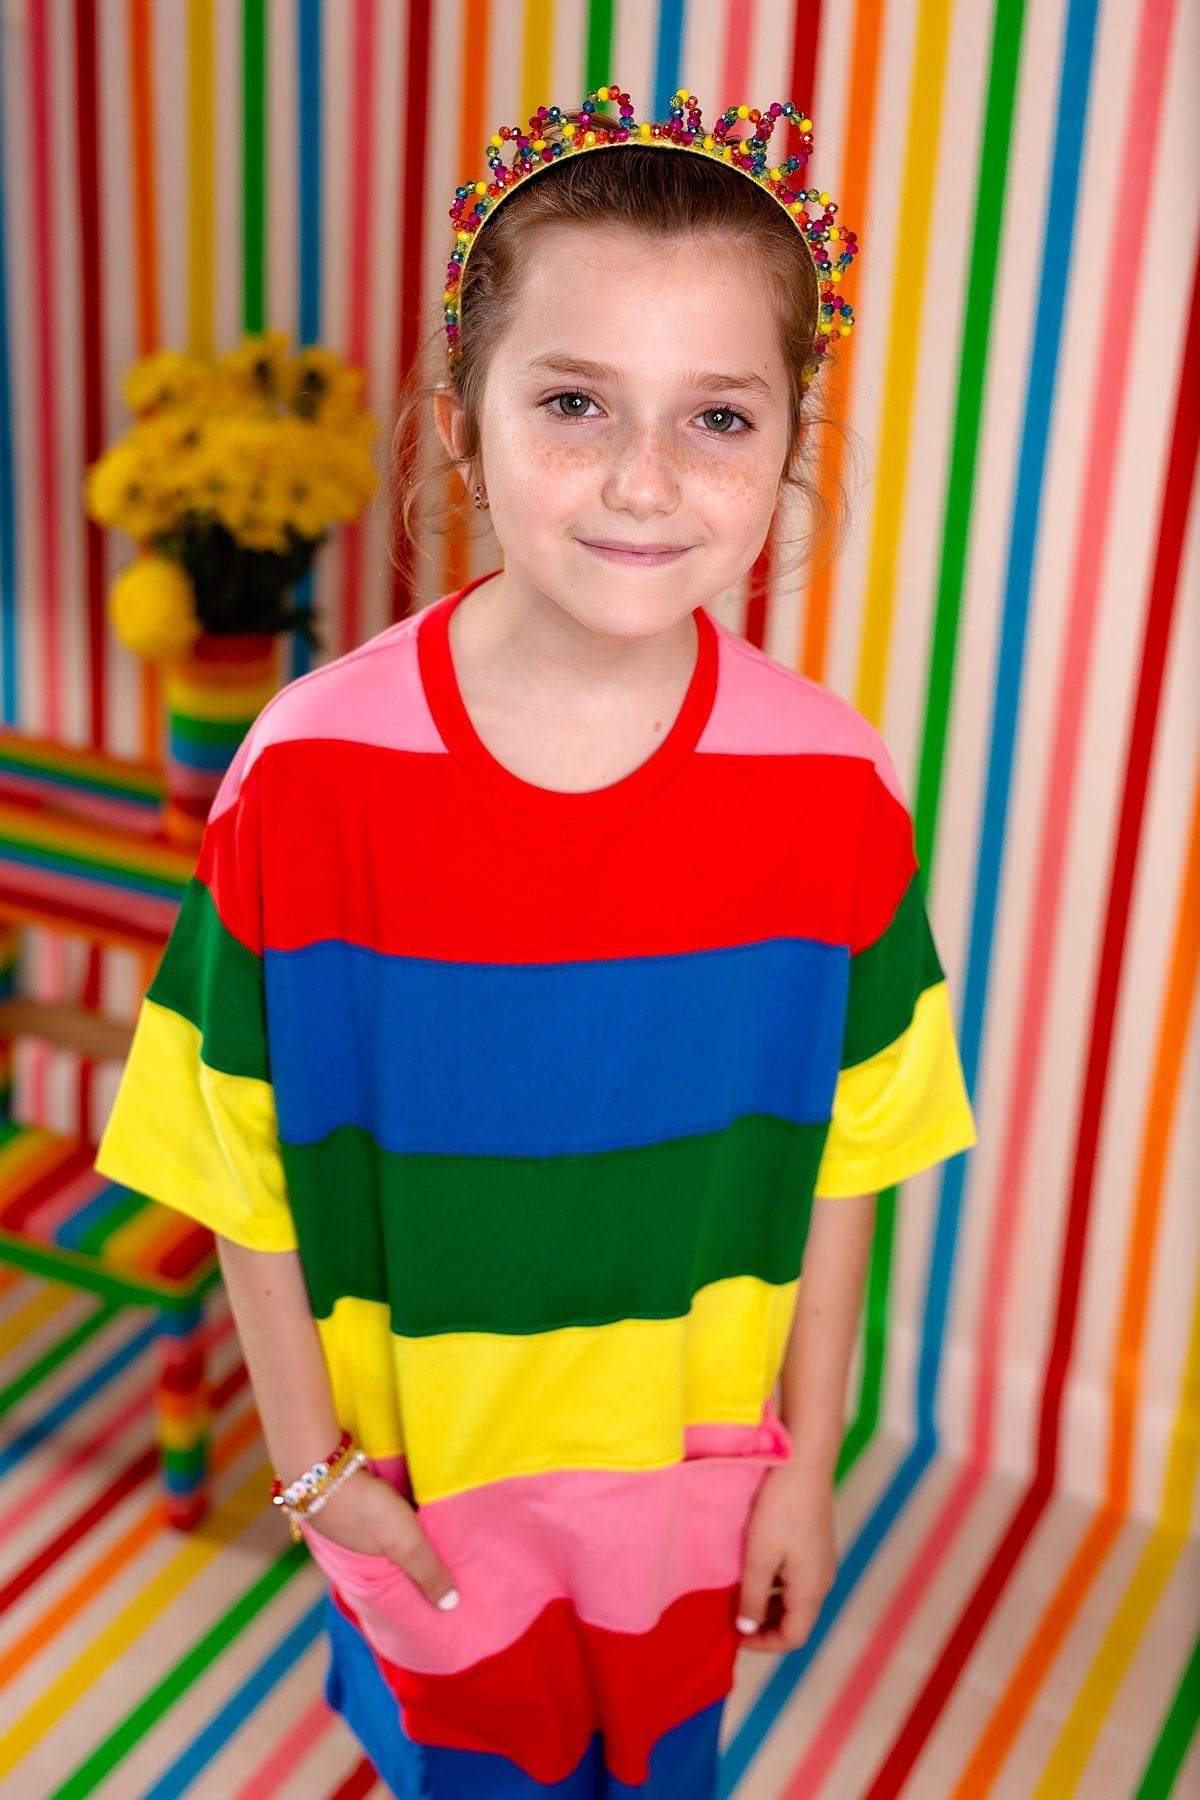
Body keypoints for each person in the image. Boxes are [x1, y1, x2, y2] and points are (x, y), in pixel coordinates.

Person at [94, 85, 976, 1800]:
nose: (644, 479)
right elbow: (231, 1151)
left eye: (716, 416)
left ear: (788, 442)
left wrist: (807, 1465)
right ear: (460, 421)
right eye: (575, 402)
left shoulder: (836, 788)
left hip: (688, 1493)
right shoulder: (311, 770)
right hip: (425, 1493)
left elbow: (855, 1151)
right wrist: (309, 1467)